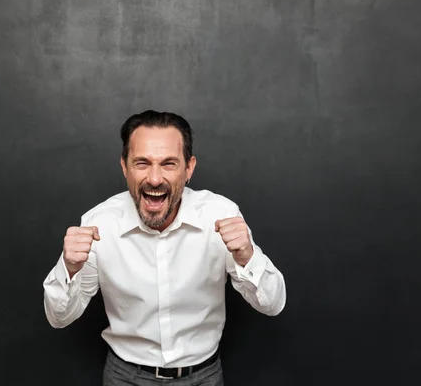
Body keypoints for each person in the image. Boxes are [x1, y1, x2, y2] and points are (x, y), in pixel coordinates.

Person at [43, 110, 286, 385]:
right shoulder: (99, 223)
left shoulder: (221, 214)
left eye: (169, 164)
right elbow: (58, 318)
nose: (155, 179)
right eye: (142, 163)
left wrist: (246, 256)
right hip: (125, 377)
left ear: (189, 168)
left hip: (202, 377)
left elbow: (273, 304)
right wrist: (69, 268)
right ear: (125, 167)